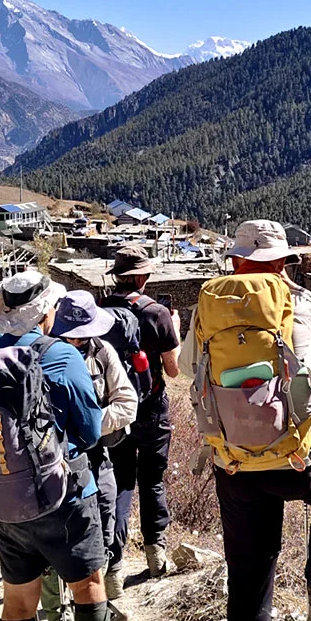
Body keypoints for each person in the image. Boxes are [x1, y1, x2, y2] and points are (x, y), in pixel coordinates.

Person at [178, 220, 311, 621]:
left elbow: (189, 367)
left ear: (235, 261)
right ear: (282, 263)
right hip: (297, 455)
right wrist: (292, 288)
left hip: (234, 458)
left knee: (249, 565)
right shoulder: (296, 304)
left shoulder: (209, 307)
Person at [0, 271, 111, 621]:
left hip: (2, 500)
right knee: (88, 587)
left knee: (18, 602)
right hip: (63, 496)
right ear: (46, 311)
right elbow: (91, 431)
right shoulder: (61, 354)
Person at [43, 290, 139, 621]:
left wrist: (89, 423)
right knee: (56, 537)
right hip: (51, 460)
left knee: (106, 517)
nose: (80, 340)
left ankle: (103, 599)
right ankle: (57, 612)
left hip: (95, 454)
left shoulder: (102, 352)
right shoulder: (42, 353)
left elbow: (127, 403)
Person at [101, 246, 181, 586]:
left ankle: (113, 566)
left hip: (113, 412)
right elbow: (173, 370)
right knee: (152, 481)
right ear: (142, 277)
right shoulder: (157, 313)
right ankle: (156, 558)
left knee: (119, 482)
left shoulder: (99, 311)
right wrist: (176, 329)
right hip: (151, 409)